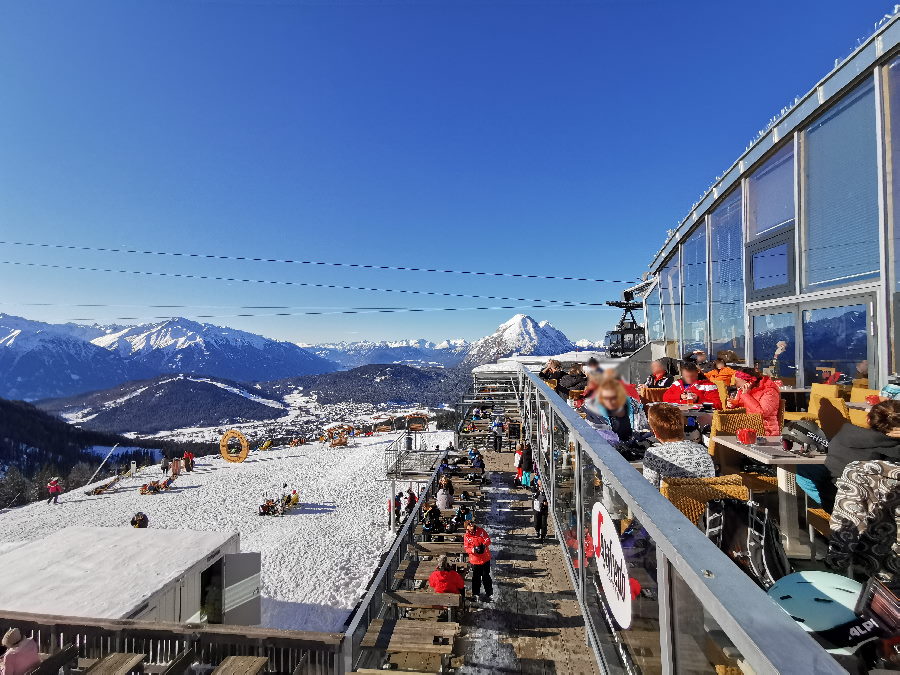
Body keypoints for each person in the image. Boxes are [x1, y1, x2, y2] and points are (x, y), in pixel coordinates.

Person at [642, 403, 715, 489]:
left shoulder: (653, 455)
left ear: (655, 433)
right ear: (683, 427)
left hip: (670, 501)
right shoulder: (703, 450)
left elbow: (650, 490)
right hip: (704, 500)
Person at [583, 375, 649, 443]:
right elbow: (595, 433)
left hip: (633, 443)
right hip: (607, 447)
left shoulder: (632, 403)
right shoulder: (593, 407)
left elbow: (642, 427)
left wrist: (636, 439)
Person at [729, 367, 782, 435]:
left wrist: (745, 395)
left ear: (749, 382)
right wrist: (732, 405)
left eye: (738, 383)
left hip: (765, 432)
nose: (738, 387)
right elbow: (741, 410)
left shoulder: (769, 391)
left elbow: (762, 413)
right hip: (748, 430)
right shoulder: (744, 391)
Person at [463, 520, 493, 601]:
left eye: (472, 523)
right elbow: (466, 548)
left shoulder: (481, 531)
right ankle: (476, 593)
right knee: (476, 578)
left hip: (485, 558)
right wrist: (473, 550)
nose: (471, 525)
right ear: (467, 527)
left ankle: (489, 593)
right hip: (475, 560)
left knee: (486, 576)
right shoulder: (466, 536)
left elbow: (488, 540)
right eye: (469, 524)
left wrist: (484, 545)